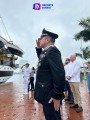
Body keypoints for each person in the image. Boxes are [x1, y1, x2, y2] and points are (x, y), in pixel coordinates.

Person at [34, 28, 65, 120]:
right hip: (46, 92)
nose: (39, 40)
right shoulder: (46, 51)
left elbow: (59, 73)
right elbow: (43, 61)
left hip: (50, 95)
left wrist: (57, 95)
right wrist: (39, 49)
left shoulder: (52, 51)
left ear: (47, 40)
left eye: (41, 38)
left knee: (52, 117)